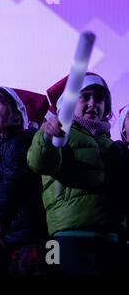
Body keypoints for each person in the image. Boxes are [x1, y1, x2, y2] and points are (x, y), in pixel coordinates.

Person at [27, 72, 127, 274]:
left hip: (112, 239)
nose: (93, 103)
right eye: (85, 96)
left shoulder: (112, 146)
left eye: (99, 98)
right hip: (68, 237)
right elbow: (38, 161)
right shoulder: (59, 133)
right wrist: (46, 135)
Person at [0, 87, 49, 275]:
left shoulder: (22, 141)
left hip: (29, 237)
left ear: (16, 117)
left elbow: (14, 178)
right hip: (6, 238)